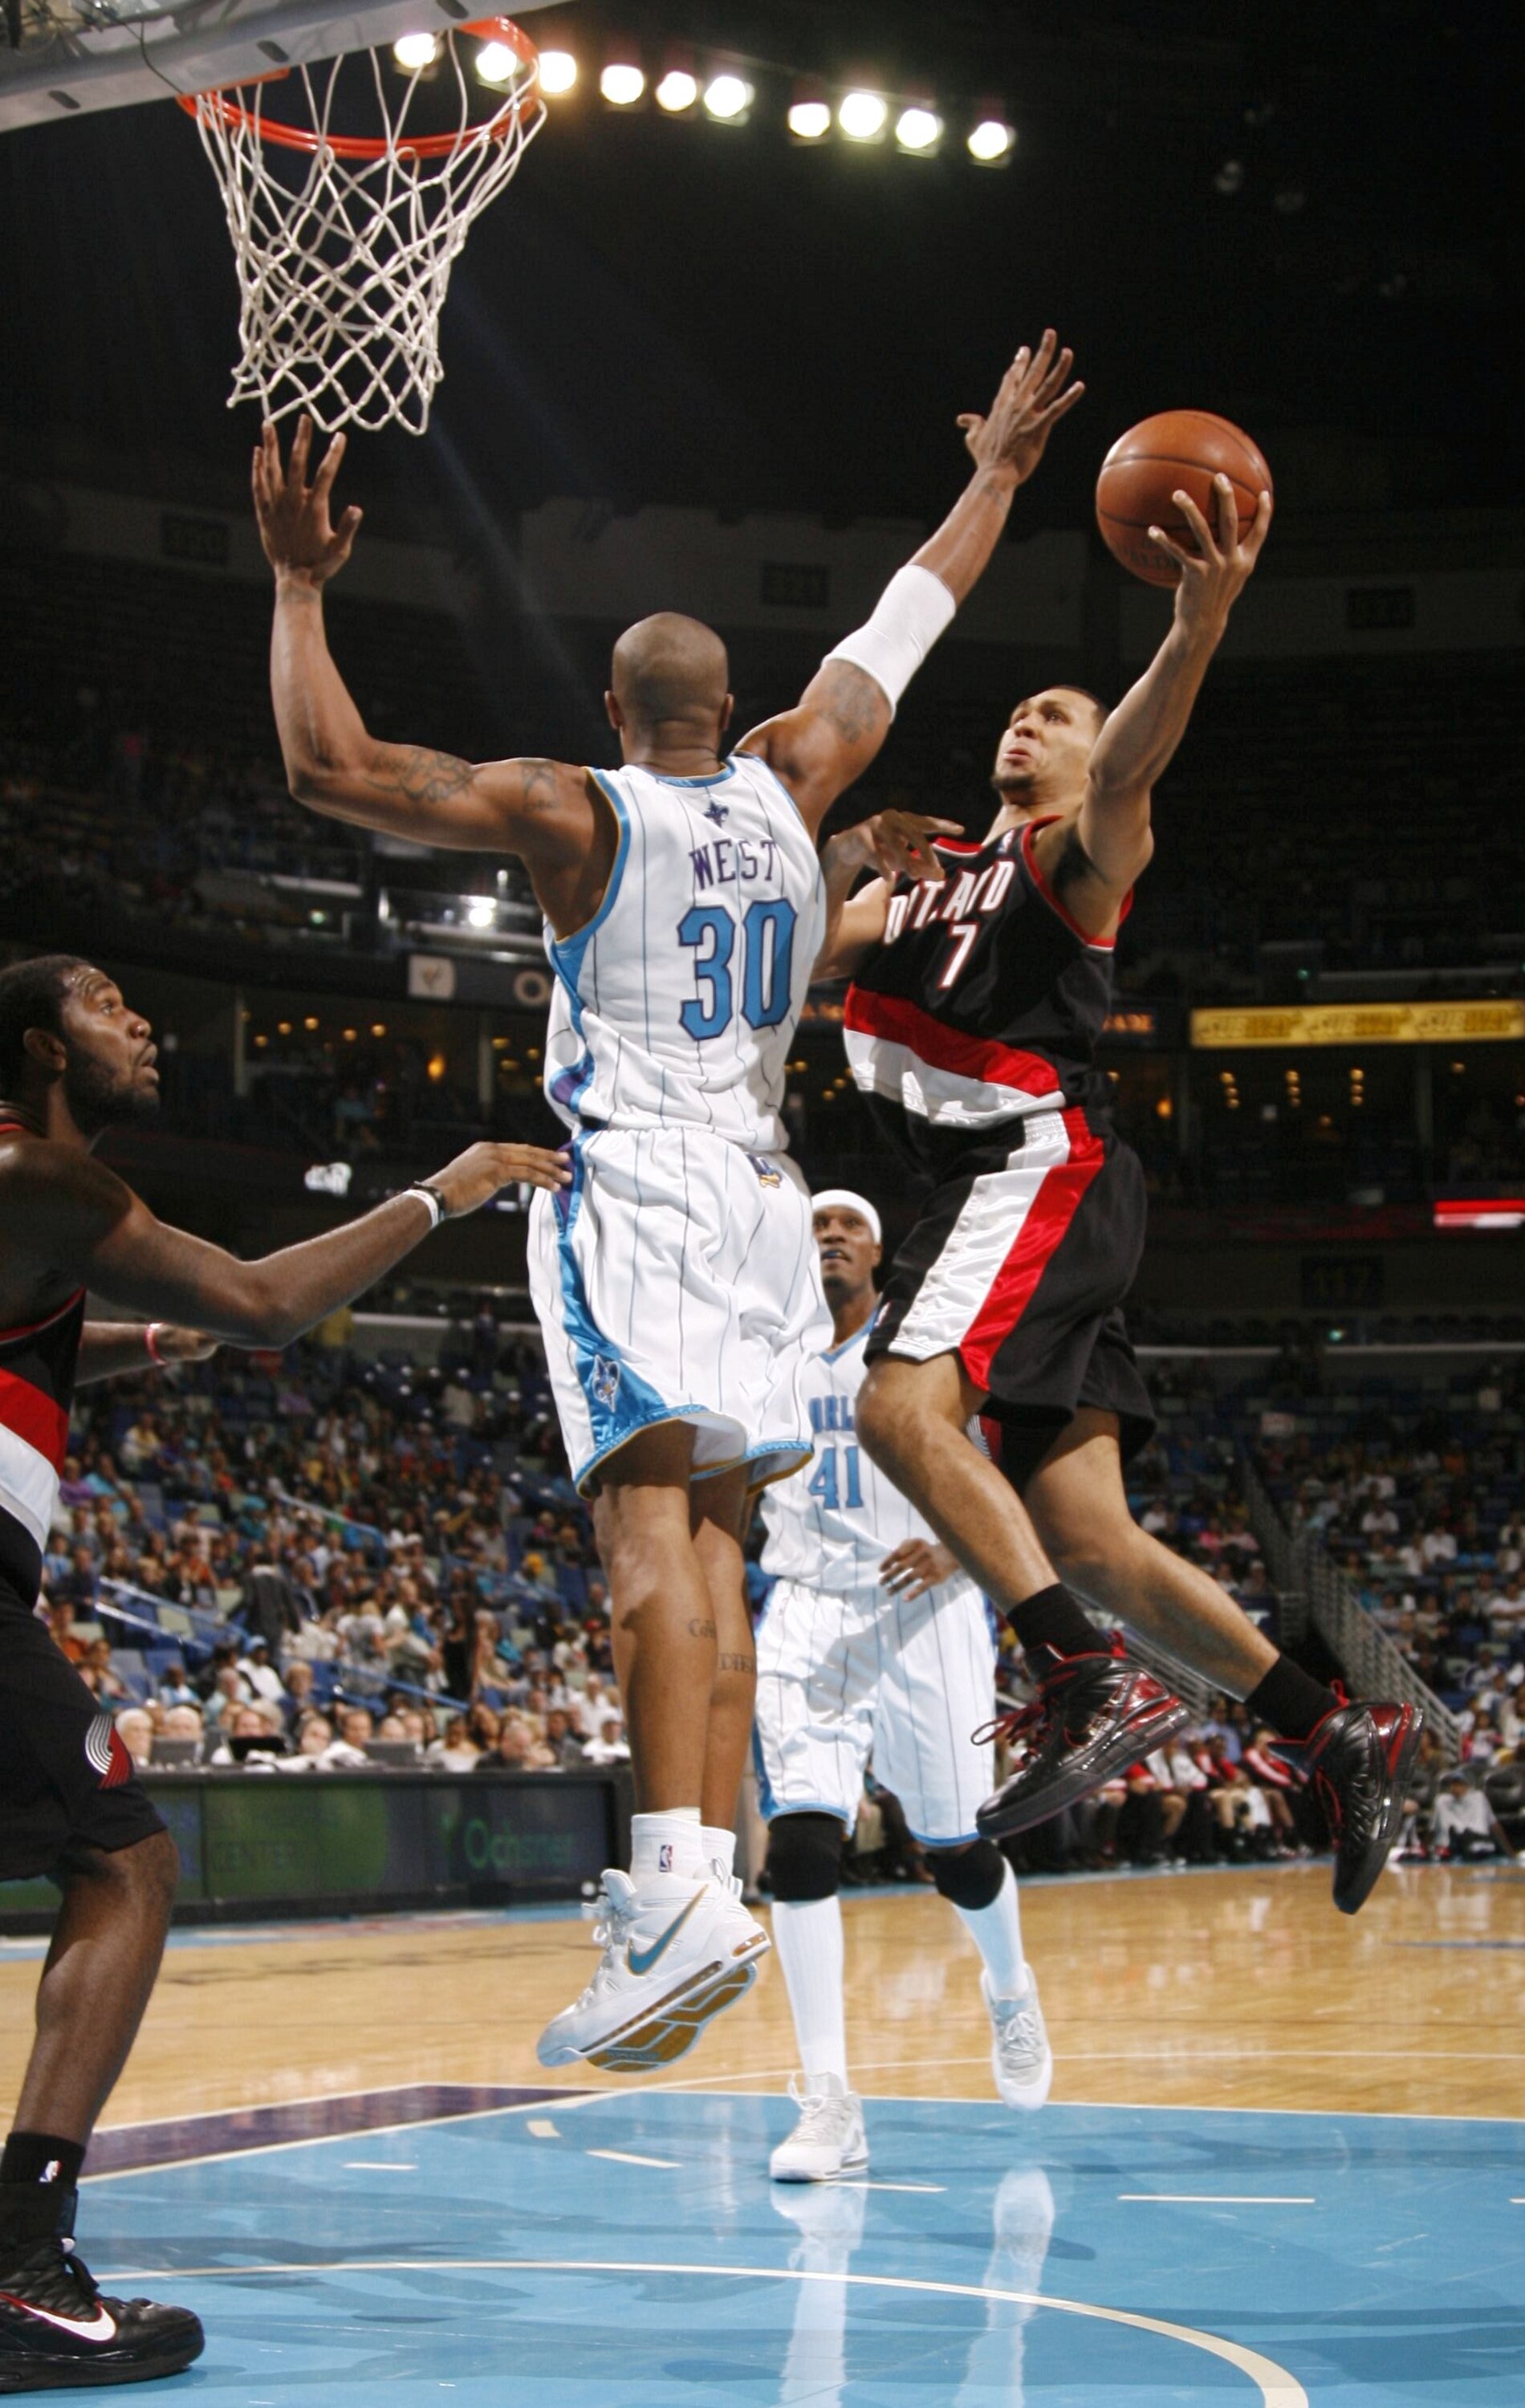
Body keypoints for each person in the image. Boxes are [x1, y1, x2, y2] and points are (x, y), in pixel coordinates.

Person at [252, 329, 1085, 2072]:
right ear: (732, 712)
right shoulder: (802, 784)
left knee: (647, 1556)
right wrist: (998, 474)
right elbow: (903, 617)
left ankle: (677, 1891)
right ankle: (687, 1887)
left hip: (634, 1192)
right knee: (712, 1554)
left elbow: (337, 769)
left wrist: (298, 587)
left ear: (615, 716)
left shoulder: (573, 809)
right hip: (774, 1212)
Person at [815, 474, 1421, 1918]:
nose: (1028, 724)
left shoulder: (1068, 858)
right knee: (1085, 1531)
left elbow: (1141, 756)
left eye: (1060, 718)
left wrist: (1193, 630)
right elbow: (791, 964)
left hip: (1030, 1160)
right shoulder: (918, 882)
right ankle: (1339, 1736)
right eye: (1019, 712)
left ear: (1091, 771)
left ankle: (1084, 1683)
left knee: (895, 1409)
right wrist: (845, 849)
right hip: (1007, 1186)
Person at [0, 952, 567, 2392]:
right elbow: (265, 1300)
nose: (142, 1021)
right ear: (37, 1048)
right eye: (108, 1004)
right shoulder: (46, 1183)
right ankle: (18, 2253)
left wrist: (132, 1346)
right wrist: (442, 1193)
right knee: (126, 1859)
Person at [756, 1194, 1051, 2183]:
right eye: (814, 1227)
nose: (829, 1237)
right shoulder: (765, 1348)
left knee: (956, 1849)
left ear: (879, 1252)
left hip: (926, 1607)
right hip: (807, 1607)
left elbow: (1021, 1468)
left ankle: (1009, 1988)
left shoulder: (926, 1349)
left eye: (846, 1226)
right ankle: (829, 2101)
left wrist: (965, 1545)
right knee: (799, 1845)